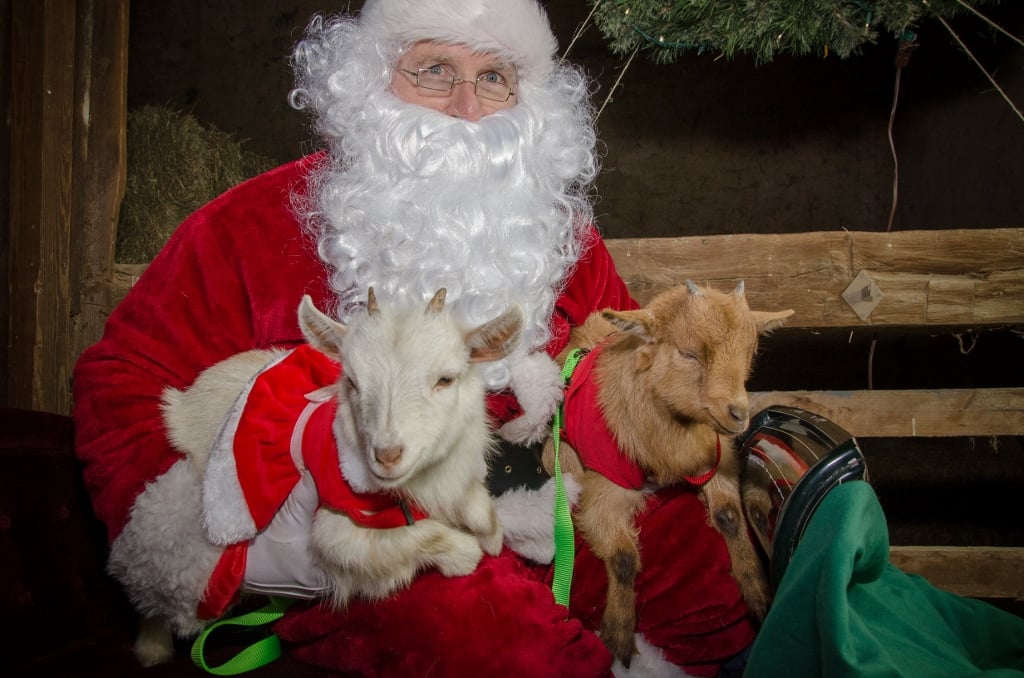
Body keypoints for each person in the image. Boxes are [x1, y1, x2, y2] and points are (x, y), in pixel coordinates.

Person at [72, 0, 757, 675]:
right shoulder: (248, 227)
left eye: (494, 78)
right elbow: (124, 377)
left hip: (545, 512)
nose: (465, 107)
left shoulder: (561, 239)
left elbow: (633, 382)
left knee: (705, 577)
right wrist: (236, 551)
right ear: (369, 82)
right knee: (480, 638)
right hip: (373, 542)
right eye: (433, 69)